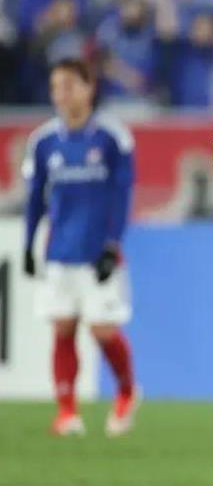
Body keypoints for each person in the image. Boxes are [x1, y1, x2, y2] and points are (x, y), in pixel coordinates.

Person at [22, 58, 137, 437]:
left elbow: (122, 197)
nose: (61, 94)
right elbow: (35, 199)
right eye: (56, 87)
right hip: (59, 251)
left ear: (89, 88)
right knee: (63, 327)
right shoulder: (43, 142)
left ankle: (127, 391)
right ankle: (67, 413)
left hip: (98, 252)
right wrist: (28, 245)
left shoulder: (112, 138)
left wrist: (112, 245)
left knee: (102, 330)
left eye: (69, 85)